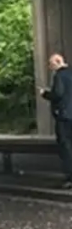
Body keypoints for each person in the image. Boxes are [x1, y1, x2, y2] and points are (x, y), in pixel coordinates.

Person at [40, 53, 72, 188]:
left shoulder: (58, 76)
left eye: (51, 63)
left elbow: (58, 94)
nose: (49, 66)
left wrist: (45, 94)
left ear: (57, 62)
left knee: (66, 147)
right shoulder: (70, 74)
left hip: (64, 116)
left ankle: (70, 177)